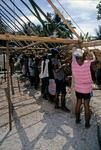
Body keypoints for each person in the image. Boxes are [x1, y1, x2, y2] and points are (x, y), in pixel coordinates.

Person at [72, 48, 95, 128]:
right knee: (86, 105)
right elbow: (93, 58)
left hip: (78, 88)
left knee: (78, 103)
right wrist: (91, 52)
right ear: (82, 56)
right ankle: (87, 123)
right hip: (86, 88)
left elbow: (75, 58)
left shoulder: (73, 64)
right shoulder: (87, 63)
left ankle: (77, 120)